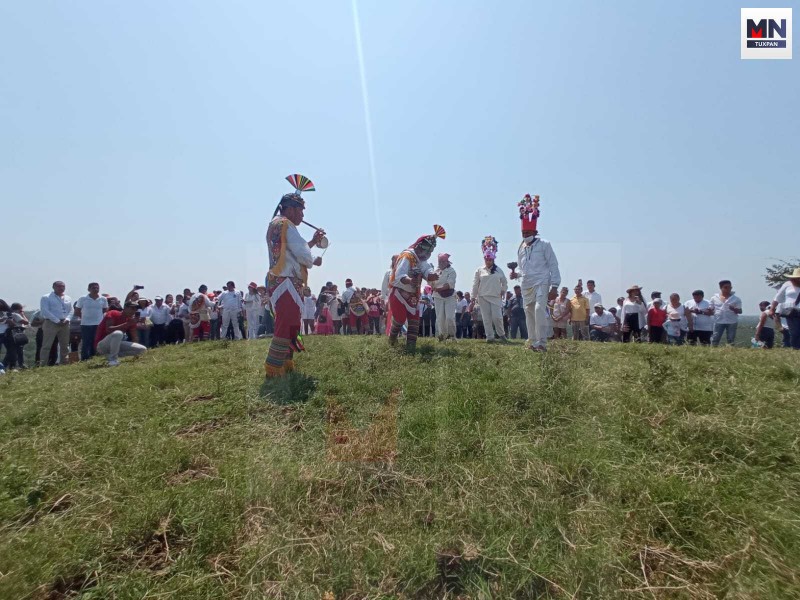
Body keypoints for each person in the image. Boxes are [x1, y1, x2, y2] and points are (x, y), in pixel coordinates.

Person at [264, 186, 325, 377]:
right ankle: (274, 367)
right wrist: (313, 259)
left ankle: (287, 362)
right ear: (290, 209)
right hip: (287, 284)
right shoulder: (286, 225)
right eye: (301, 210)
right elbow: (303, 256)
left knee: (290, 323)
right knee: (286, 323)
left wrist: (313, 242)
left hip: (281, 282)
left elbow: (294, 251)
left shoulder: (276, 224)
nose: (302, 214)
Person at [510, 194, 561, 352]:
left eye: (528, 232)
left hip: (542, 282)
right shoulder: (521, 249)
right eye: (523, 232)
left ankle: (542, 343)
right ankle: (532, 341)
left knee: (539, 309)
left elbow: (553, 264)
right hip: (527, 284)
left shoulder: (545, 244)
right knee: (529, 311)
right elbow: (522, 269)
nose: (525, 235)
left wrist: (555, 286)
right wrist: (516, 274)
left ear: (534, 230)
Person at [387, 226, 443, 352]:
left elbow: (427, 270)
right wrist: (411, 280)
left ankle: (411, 348)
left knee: (414, 321)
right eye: (426, 251)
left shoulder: (422, 260)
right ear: (419, 247)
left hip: (413, 296)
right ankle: (392, 339)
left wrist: (432, 275)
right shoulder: (407, 256)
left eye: (430, 252)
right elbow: (399, 275)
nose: (428, 255)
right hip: (399, 294)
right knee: (400, 319)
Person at [472, 236, 509, 343]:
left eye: (490, 259)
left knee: (497, 317)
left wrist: (503, 290)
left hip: (496, 296)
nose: (488, 261)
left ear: (493, 259)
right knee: (486, 318)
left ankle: (501, 335)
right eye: (486, 259)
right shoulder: (479, 270)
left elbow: (505, 282)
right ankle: (490, 337)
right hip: (483, 297)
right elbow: (475, 284)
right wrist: (473, 298)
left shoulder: (499, 270)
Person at [95, 301, 148, 366]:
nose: (134, 311)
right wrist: (127, 324)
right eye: (132, 308)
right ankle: (113, 360)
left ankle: (109, 355)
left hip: (116, 344)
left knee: (143, 349)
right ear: (125, 308)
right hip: (102, 345)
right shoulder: (113, 313)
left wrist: (136, 353)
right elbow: (109, 330)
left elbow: (134, 337)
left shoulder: (130, 320)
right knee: (118, 333)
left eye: (136, 309)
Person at [39, 280, 72, 365]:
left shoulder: (68, 298)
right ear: (53, 287)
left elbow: (71, 310)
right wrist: (57, 320)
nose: (61, 288)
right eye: (59, 286)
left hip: (65, 323)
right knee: (47, 345)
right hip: (51, 323)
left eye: (63, 286)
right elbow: (45, 311)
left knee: (65, 345)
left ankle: (64, 362)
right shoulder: (46, 297)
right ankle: (43, 364)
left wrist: (67, 319)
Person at [73, 282, 108, 360]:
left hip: (98, 324)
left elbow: (105, 309)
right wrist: (85, 317)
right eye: (93, 288)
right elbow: (77, 311)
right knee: (86, 342)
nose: (96, 289)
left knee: (96, 341)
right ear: (89, 289)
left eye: (97, 288)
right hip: (86, 324)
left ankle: (94, 357)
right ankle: (84, 358)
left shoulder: (103, 299)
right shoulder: (83, 298)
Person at [769, 267, 800, 350]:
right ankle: (796, 348)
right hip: (791, 312)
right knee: (794, 332)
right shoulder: (787, 284)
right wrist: (772, 308)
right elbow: (777, 298)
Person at [432, 253, 457, 341]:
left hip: (450, 296)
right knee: (440, 318)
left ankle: (452, 335)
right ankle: (442, 336)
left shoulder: (451, 271)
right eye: (440, 261)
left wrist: (439, 288)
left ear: (447, 261)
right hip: (438, 296)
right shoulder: (435, 271)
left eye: (443, 261)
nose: (441, 263)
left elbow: (449, 284)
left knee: (450, 317)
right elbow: (431, 283)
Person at [710, 280, 742, 346]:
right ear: (721, 288)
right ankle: (713, 350)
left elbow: (740, 311)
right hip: (718, 320)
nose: (728, 289)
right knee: (715, 338)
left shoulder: (736, 299)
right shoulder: (714, 298)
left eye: (730, 287)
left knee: (731, 339)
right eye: (726, 287)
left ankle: (730, 352)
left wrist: (733, 309)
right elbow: (711, 309)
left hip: (731, 321)